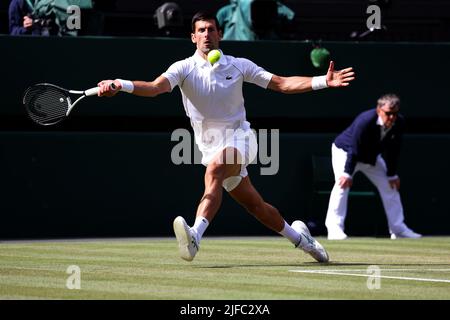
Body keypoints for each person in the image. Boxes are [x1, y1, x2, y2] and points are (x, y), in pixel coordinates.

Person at [97, 11, 355, 263]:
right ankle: (302, 240)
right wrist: (121, 84)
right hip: (209, 146)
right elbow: (155, 88)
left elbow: (282, 83)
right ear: (193, 37)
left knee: (215, 171)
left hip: (240, 139)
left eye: (211, 29)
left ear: (219, 34)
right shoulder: (183, 68)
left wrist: (322, 80)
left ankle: (195, 235)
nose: (206, 34)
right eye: (201, 30)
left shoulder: (239, 65)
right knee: (256, 207)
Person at [325, 94, 422, 240]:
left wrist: (392, 174)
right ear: (379, 110)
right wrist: (347, 173)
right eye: (388, 113)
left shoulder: (399, 123)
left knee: (391, 186)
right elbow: (354, 147)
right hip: (345, 152)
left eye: (395, 114)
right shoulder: (365, 120)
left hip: (371, 158)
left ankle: (398, 229)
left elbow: (394, 150)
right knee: (342, 184)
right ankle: (334, 229)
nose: (391, 117)